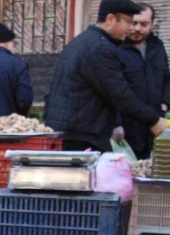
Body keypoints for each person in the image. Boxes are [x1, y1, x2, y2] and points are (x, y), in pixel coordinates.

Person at [45, 0, 166, 152]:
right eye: (128, 22)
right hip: (83, 135)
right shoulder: (101, 48)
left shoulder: (83, 41)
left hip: (72, 131)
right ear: (110, 19)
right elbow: (119, 94)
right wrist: (154, 120)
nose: (130, 28)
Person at [115, 3, 170, 159]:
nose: (138, 28)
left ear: (152, 24)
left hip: (155, 124)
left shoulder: (157, 46)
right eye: (134, 23)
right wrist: (116, 123)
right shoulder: (115, 48)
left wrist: (165, 104)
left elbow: (167, 79)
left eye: (144, 24)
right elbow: (110, 89)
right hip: (127, 127)